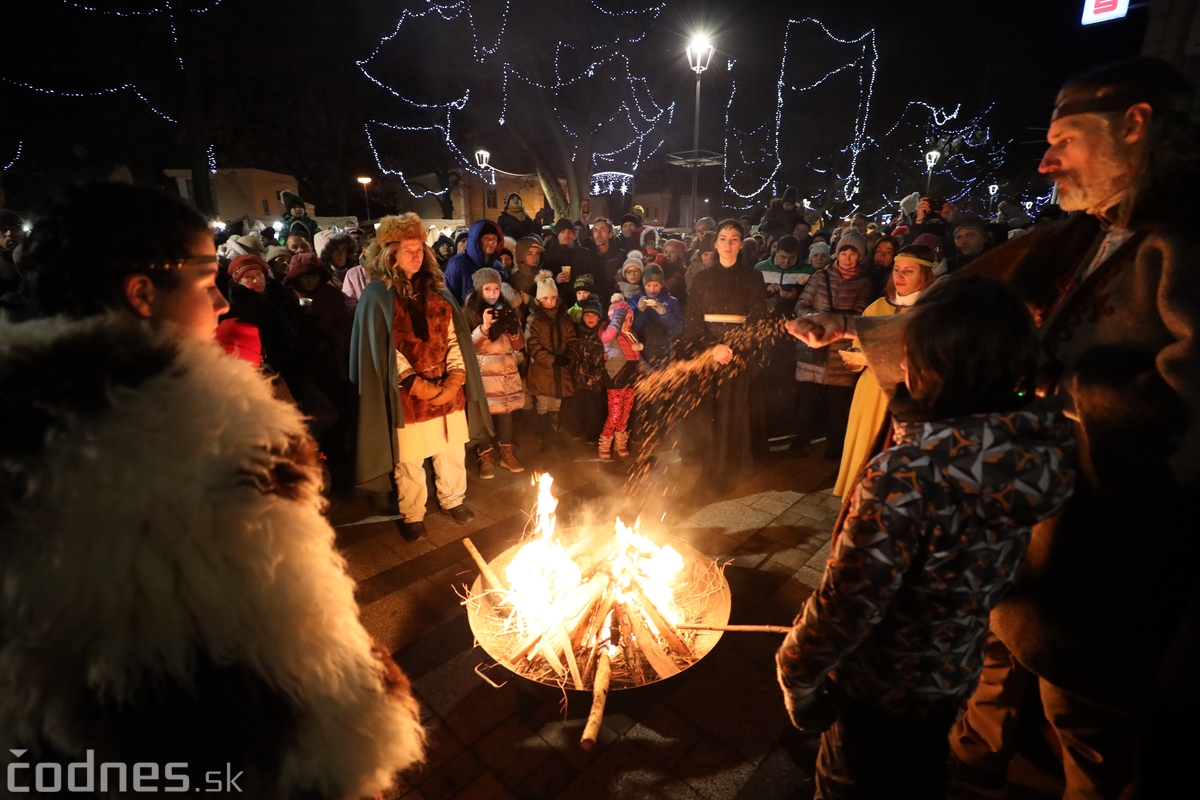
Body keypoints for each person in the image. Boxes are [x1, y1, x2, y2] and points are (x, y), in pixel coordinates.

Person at [788, 57, 1200, 799]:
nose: (1046, 161)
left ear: (1135, 126)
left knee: (1086, 725)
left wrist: (1061, 389)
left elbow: (1187, 401)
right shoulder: (1078, 236)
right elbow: (960, 308)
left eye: (1065, 140)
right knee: (986, 669)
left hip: (1103, 551)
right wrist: (849, 326)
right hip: (1022, 519)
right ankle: (966, 769)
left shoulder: (1183, 245)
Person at [2, 181, 425, 796]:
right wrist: (366, 708)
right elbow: (303, 671)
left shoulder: (24, 434)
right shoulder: (219, 442)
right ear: (142, 293)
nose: (224, 305)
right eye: (206, 285)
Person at [778, 276, 1076, 799]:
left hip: (878, 688)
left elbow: (847, 602)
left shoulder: (910, 475)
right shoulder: (1039, 455)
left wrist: (797, 673)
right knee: (914, 773)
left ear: (930, 363)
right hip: (949, 676)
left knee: (854, 783)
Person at [349, 213, 492, 541]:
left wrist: (455, 378)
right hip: (408, 396)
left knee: (451, 450)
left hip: (448, 390)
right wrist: (418, 385)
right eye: (406, 250)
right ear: (390, 254)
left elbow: (456, 338)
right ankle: (413, 513)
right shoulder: (377, 295)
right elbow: (383, 352)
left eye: (418, 249)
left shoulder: (438, 291)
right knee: (410, 460)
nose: (415, 255)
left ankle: (453, 499)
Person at [833, 245, 936, 496]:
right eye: (896, 270)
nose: (899, 277)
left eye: (908, 271)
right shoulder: (876, 308)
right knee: (865, 450)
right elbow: (858, 349)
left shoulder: (933, 313)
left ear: (925, 275)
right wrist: (855, 359)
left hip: (906, 395)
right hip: (870, 392)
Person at [679, 220, 767, 488]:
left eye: (734, 239)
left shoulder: (753, 276)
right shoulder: (702, 277)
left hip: (739, 354)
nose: (728, 244)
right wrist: (712, 347)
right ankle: (709, 464)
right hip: (709, 353)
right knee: (709, 411)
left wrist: (735, 347)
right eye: (723, 238)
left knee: (736, 410)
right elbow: (692, 320)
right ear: (715, 243)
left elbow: (758, 318)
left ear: (741, 244)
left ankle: (733, 465)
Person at [791, 230, 874, 461]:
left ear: (860, 256)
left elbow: (860, 314)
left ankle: (835, 443)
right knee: (807, 397)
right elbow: (801, 305)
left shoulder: (864, 283)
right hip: (815, 344)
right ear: (837, 253)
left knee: (838, 401)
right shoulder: (820, 277)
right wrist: (818, 319)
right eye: (843, 252)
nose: (847, 258)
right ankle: (801, 437)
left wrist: (836, 324)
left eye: (853, 254)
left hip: (842, 350)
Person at [462, 268, 526, 478]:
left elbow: (518, 346)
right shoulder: (470, 312)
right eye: (487, 289)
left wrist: (514, 331)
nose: (492, 293)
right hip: (484, 374)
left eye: (496, 289)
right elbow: (469, 347)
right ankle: (485, 453)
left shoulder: (507, 310)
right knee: (484, 417)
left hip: (505, 372)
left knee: (506, 413)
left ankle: (506, 452)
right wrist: (484, 326)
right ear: (479, 290)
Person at [524, 270, 577, 451]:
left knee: (557, 402)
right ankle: (545, 437)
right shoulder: (534, 319)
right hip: (542, 370)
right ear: (539, 300)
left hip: (561, 370)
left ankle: (555, 435)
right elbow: (532, 345)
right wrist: (551, 360)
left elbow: (572, 339)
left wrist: (570, 356)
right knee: (543, 403)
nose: (550, 302)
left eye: (553, 298)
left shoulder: (564, 316)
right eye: (545, 299)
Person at [600, 292, 641, 459]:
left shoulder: (632, 336)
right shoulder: (610, 334)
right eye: (625, 318)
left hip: (630, 381)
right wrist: (620, 311)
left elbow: (638, 358)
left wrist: (648, 370)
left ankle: (620, 441)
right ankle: (605, 443)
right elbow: (612, 330)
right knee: (615, 414)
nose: (628, 323)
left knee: (625, 413)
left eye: (631, 319)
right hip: (616, 379)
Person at [632, 263, 683, 372]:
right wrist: (640, 312)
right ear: (643, 284)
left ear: (662, 284)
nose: (652, 290)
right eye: (648, 285)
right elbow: (632, 331)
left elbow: (677, 330)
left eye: (656, 285)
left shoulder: (672, 302)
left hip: (665, 356)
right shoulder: (635, 300)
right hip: (641, 356)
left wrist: (664, 313)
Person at [571, 296, 609, 443]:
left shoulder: (602, 335)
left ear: (599, 317)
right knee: (578, 407)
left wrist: (597, 375)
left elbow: (604, 359)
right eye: (587, 315)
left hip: (595, 380)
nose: (590, 318)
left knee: (594, 409)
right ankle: (577, 430)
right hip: (580, 378)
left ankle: (593, 434)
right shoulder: (579, 332)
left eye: (593, 315)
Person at [443, 218, 504, 303]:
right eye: (486, 238)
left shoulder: (498, 266)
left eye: (494, 238)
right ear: (476, 241)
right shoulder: (458, 263)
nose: (491, 242)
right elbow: (449, 297)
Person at [755, 235, 813, 312]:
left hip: (794, 317)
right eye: (783, 257)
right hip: (764, 315)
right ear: (776, 252)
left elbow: (815, 298)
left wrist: (796, 295)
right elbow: (750, 294)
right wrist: (766, 290)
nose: (786, 262)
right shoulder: (760, 268)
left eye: (792, 258)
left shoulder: (808, 271)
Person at [541, 218, 591, 301]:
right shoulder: (548, 254)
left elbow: (590, 275)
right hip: (556, 299)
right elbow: (542, 280)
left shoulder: (584, 254)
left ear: (574, 235)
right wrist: (555, 279)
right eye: (563, 232)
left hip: (579, 299)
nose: (567, 235)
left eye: (570, 232)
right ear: (558, 235)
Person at [588, 217, 626, 301]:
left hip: (614, 301)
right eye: (595, 230)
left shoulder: (620, 256)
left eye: (602, 230)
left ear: (610, 234)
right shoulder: (588, 255)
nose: (598, 234)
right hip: (593, 301)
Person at [508, 235, 543, 318]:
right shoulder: (514, 280)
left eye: (537, 253)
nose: (535, 258)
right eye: (529, 253)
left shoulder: (543, 276)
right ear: (521, 255)